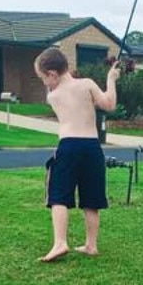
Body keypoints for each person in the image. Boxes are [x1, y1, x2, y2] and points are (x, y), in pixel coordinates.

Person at [34, 47, 119, 262]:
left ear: (52, 73)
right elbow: (109, 104)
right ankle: (91, 245)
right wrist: (111, 78)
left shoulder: (53, 96)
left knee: (58, 194)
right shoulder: (88, 84)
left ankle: (60, 243)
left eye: (43, 78)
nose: (45, 83)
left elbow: (69, 101)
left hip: (68, 146)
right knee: (92, 197)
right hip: (93, 148)